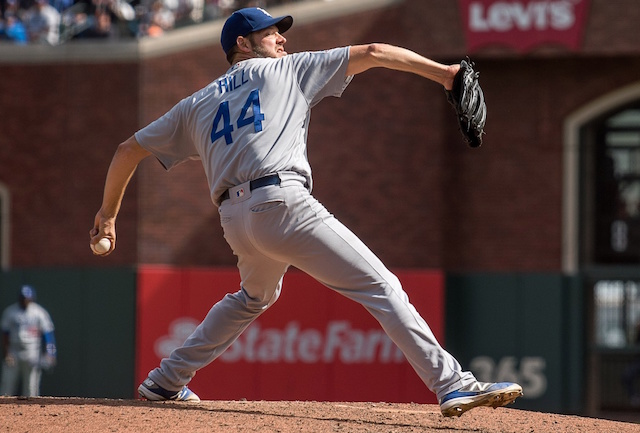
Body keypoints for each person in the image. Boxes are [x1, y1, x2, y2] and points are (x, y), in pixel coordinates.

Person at [90, 7, 523, 417]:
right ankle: (452, 383)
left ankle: (166, 380)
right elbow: (372, 53)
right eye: (270, 32)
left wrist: (108, 215)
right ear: (242, 43)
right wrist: (446, 74)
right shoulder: (287, 68)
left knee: (253, 297)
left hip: (235, 220)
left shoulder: (196, 103)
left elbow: (127, 150)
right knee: (380, 285)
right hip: (283, 204)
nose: (282, 38)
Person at [1, 285, 57, 397]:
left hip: (32, 352)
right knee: (7, 387)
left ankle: (32, 413)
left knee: (31, 388)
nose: (25, 300)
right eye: (23, 298)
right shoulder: (10, 312)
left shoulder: (39, 313)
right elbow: (5, 334)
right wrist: (7, 353)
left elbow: (48, 335)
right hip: (14, 352)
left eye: (27, 298)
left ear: (32, 298)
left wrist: (51, 353)